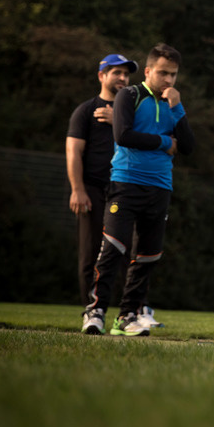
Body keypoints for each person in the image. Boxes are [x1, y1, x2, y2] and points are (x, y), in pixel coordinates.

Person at [82, 43, 195, 336]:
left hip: (160, 187)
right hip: (126, 182)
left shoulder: (173, 105)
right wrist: (164, 143)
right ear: (148, 72)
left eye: (173, 75)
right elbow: (123, 135)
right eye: (163, 73)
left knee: (147, 256)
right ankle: (95, 312)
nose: (168, 81)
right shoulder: (129, 96)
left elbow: (190, 147)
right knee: (114, 248)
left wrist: (178, 107)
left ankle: (127, 317)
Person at [68, 53, 161, 332]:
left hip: (127, 188)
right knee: (93, 253)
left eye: (125, 74)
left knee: (132, 253)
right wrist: (77, 189)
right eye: (115, 73)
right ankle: (93, 312)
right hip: (94, 190)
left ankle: (134, 310)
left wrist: (117, 119)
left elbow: (149, 135)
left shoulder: (133, 107)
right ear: (102, 76)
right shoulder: (86, 110)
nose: (122, 78)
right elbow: (73, 150)